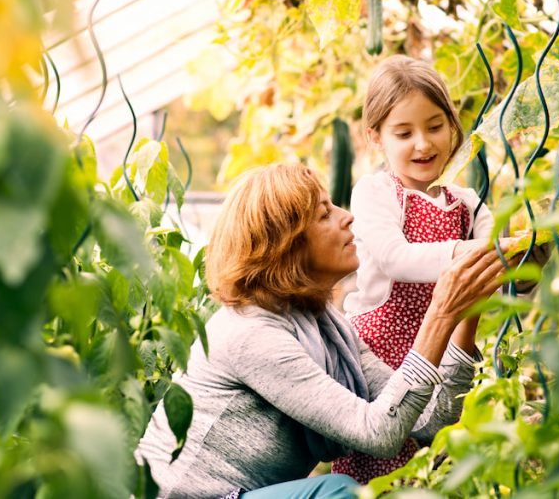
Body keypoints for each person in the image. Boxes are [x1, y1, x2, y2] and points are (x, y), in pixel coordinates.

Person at [136, 164, 506, 498]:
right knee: (338, 494)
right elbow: (379, 434)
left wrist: (468, 306)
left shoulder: (325, 325)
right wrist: (440, 314)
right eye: (325, 213)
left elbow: (429, 420)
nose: (347, 218)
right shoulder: (251, 334)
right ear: (286, 244)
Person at [333, 55, 510, 481]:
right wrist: (474, 254)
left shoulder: (468, 202)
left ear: (452, 124)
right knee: (384, 469)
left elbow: (500, 273)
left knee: (436, 467)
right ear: (375, 137)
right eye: (404, 132)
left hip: (444, 350)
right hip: (377, 356)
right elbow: (397, 258)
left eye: (435, 126)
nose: (423, 144)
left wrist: (522, 257)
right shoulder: (376, 192)